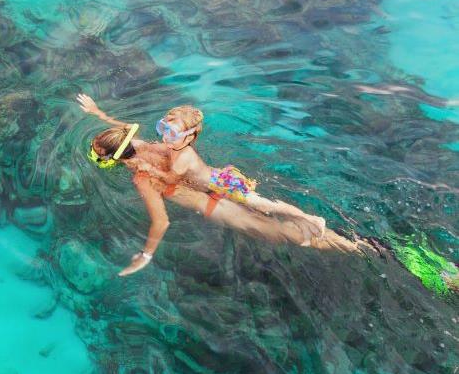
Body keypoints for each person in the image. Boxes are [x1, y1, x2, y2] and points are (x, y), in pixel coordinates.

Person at [76, 93, 362, 276]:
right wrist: (98, 113)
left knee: (281, 232)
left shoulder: (142, 178)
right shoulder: (144, 143)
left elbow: (161, 223)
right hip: (220, 185)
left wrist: (146, 255)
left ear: (113, 159)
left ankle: (359, 248)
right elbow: (122, 127)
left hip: (216, 207)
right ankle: (347, 240)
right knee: (265, 207)